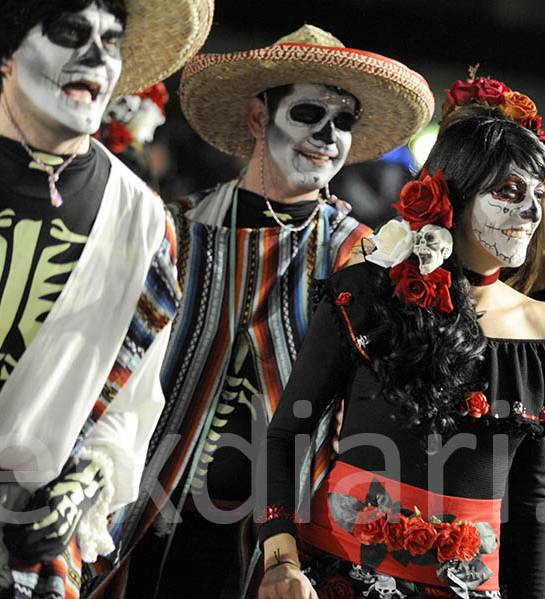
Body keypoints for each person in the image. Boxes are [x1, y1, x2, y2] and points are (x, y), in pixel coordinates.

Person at [110, 25, 434, 599]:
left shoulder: (357, 253)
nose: (328, 137)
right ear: (261, 118)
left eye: (344, 123)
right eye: (308, 112)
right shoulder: (177, 228)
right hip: (136, 525)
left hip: (276, 548)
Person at [0, 0, 211, 597]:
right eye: (69, 32)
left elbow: (129, 407)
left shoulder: (143, 223)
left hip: (24, 561)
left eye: (111, 41)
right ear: (4, 54)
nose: (96, 57)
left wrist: (86, 485)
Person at [258, 109, 545, 599]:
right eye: (511, 193)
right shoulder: (367, 292)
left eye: (540, 196)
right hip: (341, 580)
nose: (532, 214)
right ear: (455, 193)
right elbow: (285, 435)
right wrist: (280, 560)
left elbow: (529, 500)